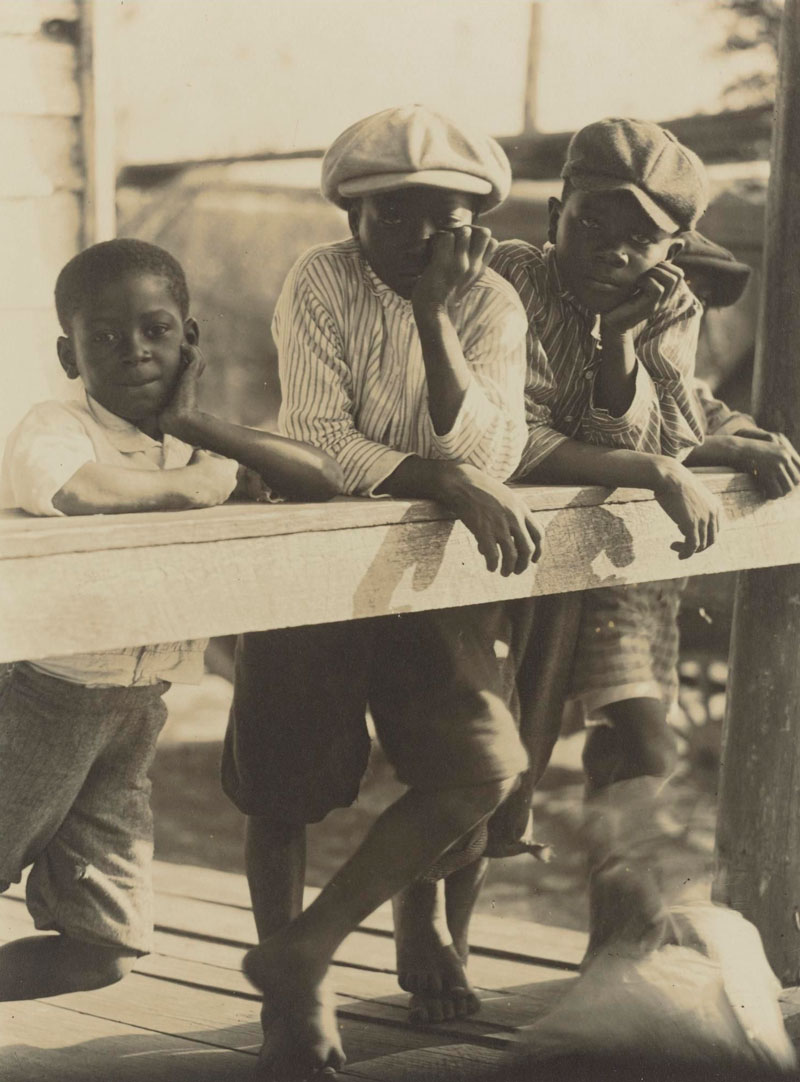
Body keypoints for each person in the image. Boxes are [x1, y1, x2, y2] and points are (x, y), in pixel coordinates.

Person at [223, 104, 542, 1078]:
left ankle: (307, 943)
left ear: (473, 223)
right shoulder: (317, 279)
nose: (413, 237)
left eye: (439, 217)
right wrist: (440, 480)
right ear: (350, 215)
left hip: (427, 570)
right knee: (284, 781)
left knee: (478, 768)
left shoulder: (488, 301)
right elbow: (319, 442)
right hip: (312, 553)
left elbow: (489, 449)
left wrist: (432, 314)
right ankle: (298, 1001)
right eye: (389, 215)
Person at [490, 119, 800, 963]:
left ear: (672, 249)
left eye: (641, 240)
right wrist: (667, 466)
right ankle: (431, 928)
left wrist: (634, 357)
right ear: (555, 210)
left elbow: (665, 421)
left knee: (640, 744)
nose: (610, 251)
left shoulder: (669, 302)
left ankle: (619, 955)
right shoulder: (508, 280)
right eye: (591, 222)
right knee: (498, 763)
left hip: (615, 560)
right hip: (510, 558)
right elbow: (516, 439)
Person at [0, 238, 342, 1003]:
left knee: (104, 948)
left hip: (134, 710)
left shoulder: (196, 442)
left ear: (190, 340)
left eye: (156, 330)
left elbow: (321, 479)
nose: (133, 351)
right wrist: (196, 486)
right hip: (40, 697)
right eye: (105, 338)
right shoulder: (54, 426)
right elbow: (79, 490)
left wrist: (201, 433)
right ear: (68, 352)